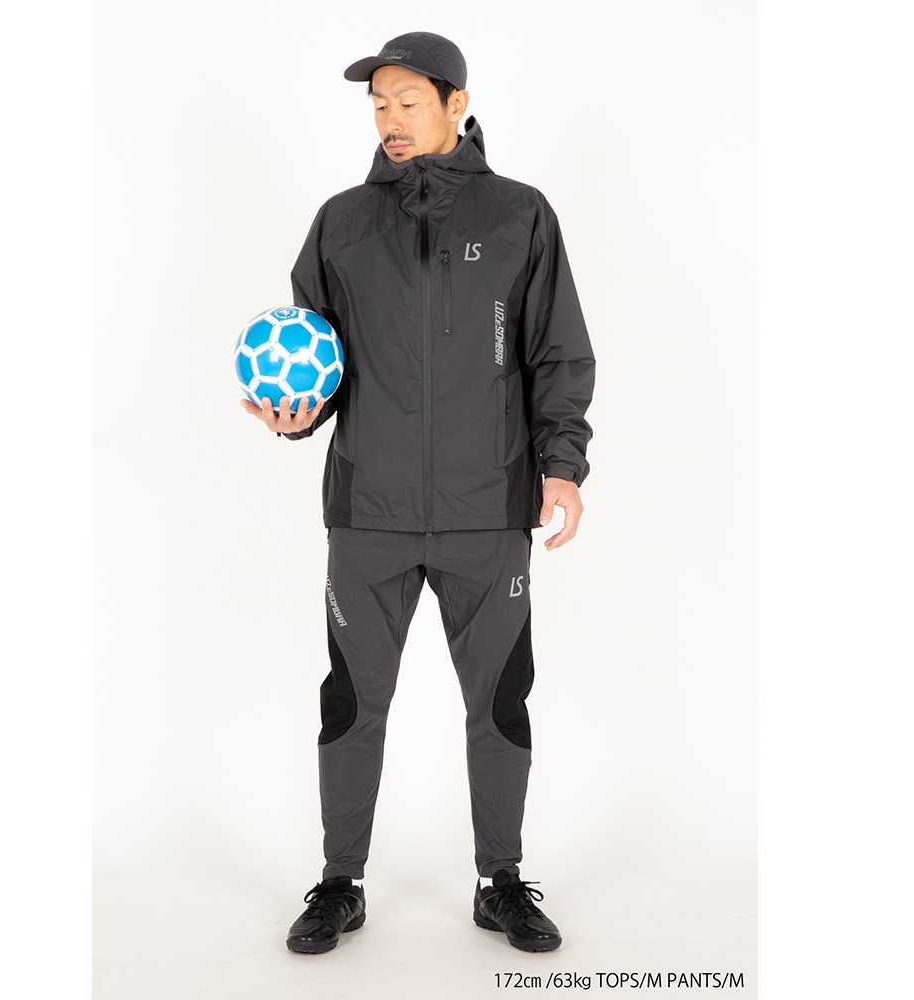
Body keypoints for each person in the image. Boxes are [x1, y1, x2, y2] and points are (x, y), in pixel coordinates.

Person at [241, 31, 595, 954]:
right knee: (351, 703)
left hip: (490, 510)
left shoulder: (521, 215)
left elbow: (557, 352)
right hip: (370, 514)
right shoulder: (341, 224)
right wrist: (294, 416)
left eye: (406, 101)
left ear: (455, 104)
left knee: (500, 704)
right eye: (378, 104)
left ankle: (500, 881)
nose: (389, 119)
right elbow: (316, 363)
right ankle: (340, 883)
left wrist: (562, 465)